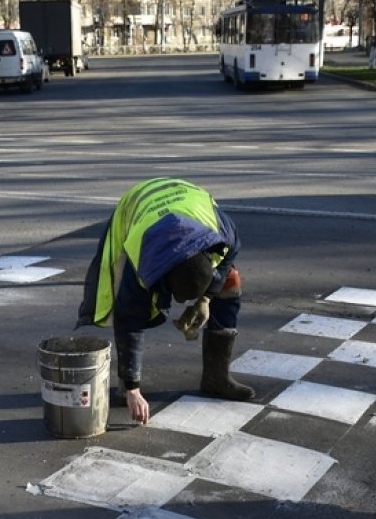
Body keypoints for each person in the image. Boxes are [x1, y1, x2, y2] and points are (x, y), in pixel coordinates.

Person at [77, 177, 254, 425]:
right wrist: (133, 388)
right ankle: (126, 385)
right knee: (124, 300)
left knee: (230, 281)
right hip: (137, 208)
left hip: (190, 204)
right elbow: (129, 319)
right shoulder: (140, 256)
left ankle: (216, 378)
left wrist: (206, 298)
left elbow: (228, 257)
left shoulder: (222, 233)